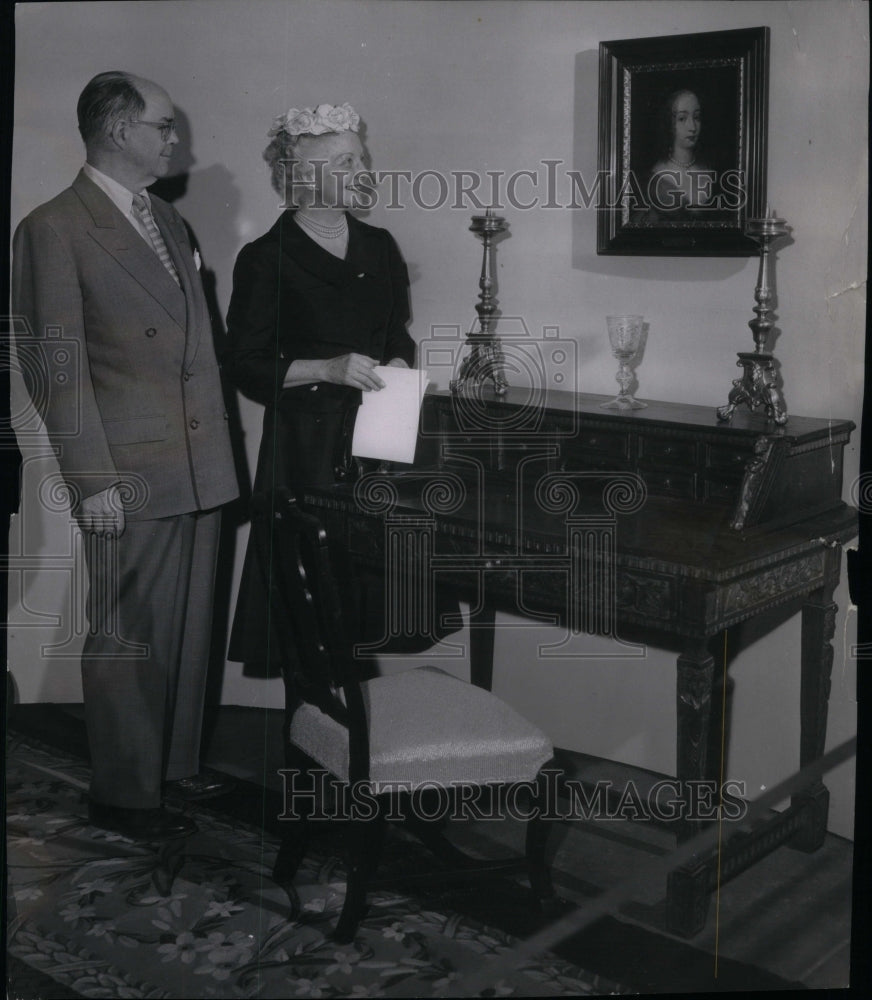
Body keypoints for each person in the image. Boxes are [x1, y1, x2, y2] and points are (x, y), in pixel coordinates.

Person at [12, 71, 239, 841]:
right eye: (165, 127)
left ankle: (170, 768)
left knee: (187, 627)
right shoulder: (54, 227)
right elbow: (56, 368)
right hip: (127, 472)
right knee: (128, 631)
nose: (176, 140)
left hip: (198, 459)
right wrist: (92, 480)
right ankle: (124, 791)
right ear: (117, 130)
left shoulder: (170, 224)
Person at [224, 102, 443, 670]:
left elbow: (398, 335)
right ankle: (313, 747)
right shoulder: (265, 258)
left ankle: (358, 750)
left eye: (361, 157)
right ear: (302, 175)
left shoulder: (379, 246)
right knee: (311, 618)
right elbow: (245, 364)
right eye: (345, 161)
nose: (362, 169)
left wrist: (396, 362)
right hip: (305, 452)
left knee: (369, 607)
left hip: (378, 446)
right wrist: (325, 369)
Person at [640, 88, 717, 221]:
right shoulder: (658, 177)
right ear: (669, 123)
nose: (692, 127)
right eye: (682, 119)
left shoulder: (709, 168)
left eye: (697, 117)